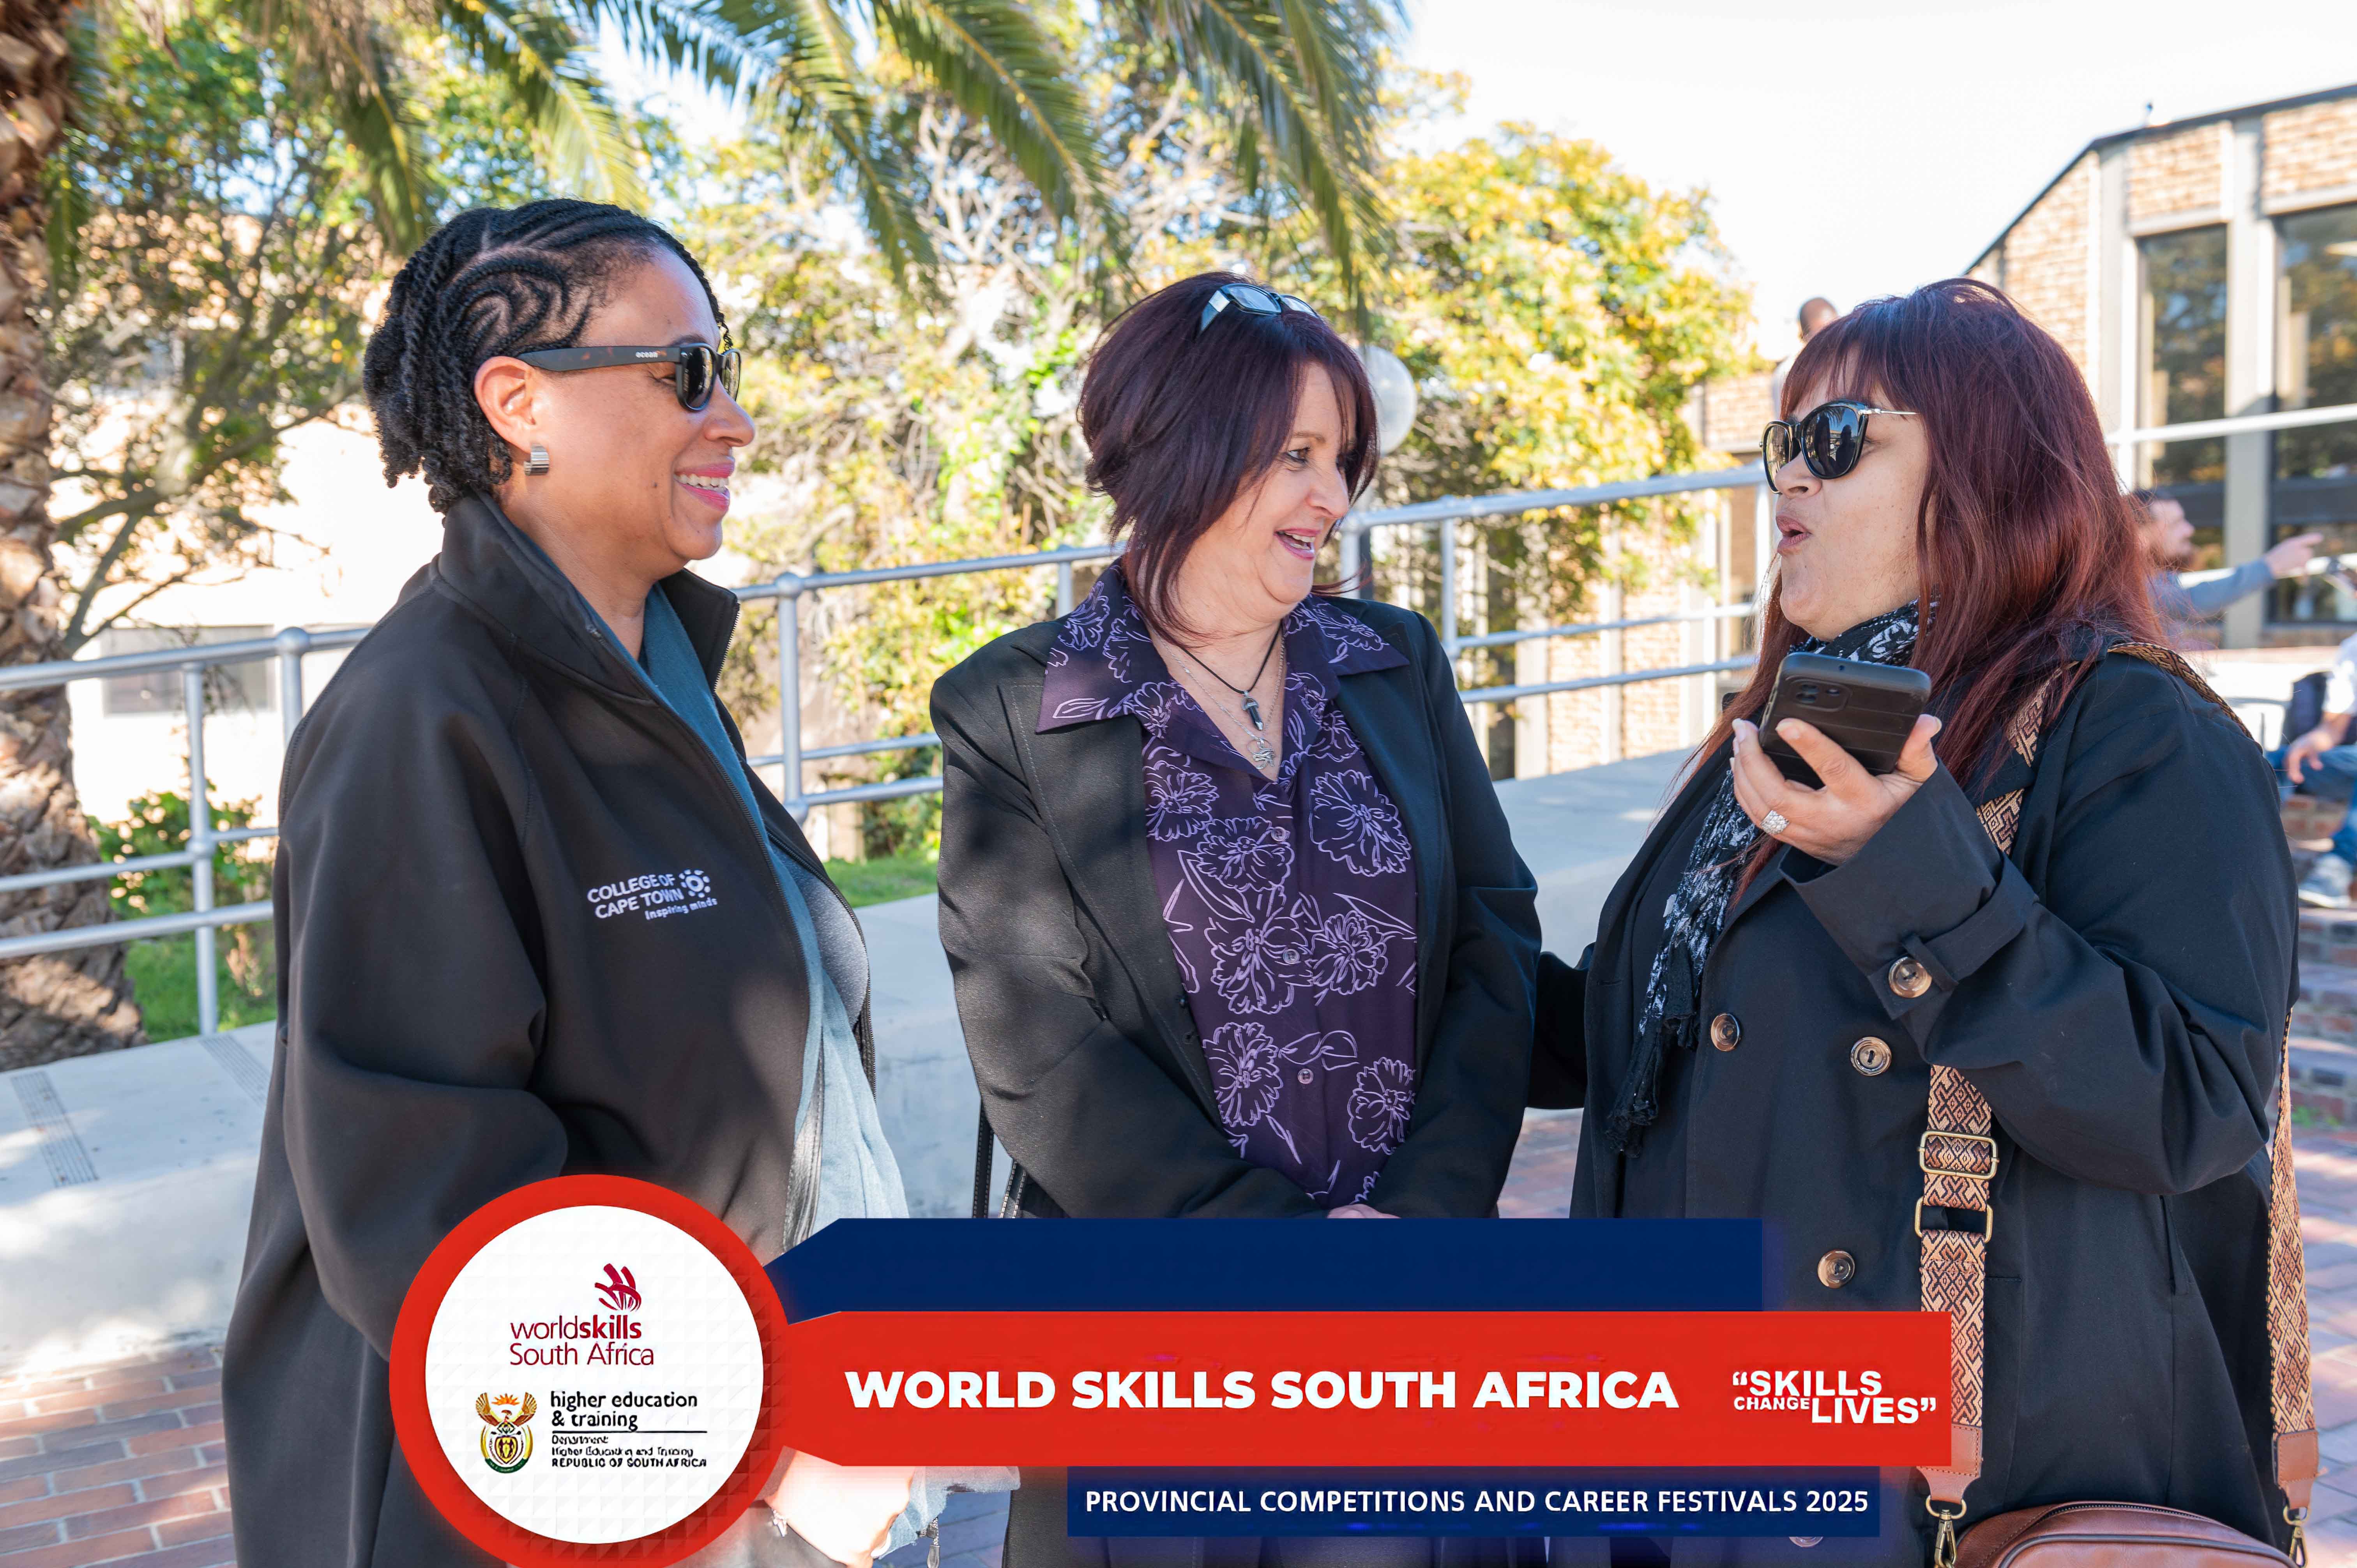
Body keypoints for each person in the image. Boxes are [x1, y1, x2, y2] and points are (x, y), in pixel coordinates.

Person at [220, 200, 984, 1568]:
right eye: (685, 372)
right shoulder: (420, 717)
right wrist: (754, 1446)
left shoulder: (655, 677)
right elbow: (427, 1201)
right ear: (520, 405)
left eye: (725, 369)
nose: (734, 419)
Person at [1530, 279, 2299, 1564]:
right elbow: (1630, 1037)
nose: (1790, 475)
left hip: (1952, 1488)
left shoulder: (2133, 727)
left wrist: (1905, 869)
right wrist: (1388, 934)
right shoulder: (1791, 729)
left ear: (1989, 473)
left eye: (1837, 439)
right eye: (1781, 441)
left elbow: (2192, 1103)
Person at [931, 271, 1542, 1567]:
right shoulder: (1011, 709)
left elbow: (1492, 948)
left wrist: (1423, 1225)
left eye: (1343, 458)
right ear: (1181, 445)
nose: (1334, 497)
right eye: (1296, 455)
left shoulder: (1395, 664)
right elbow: (1041, 1053)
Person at [2138, 487, 2321, 645]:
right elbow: (2191, 601)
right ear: (2140, 535)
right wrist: (2273, 564)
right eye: (2176, 524)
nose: (2189, 530)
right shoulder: (2130, 583)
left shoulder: (2162, 578)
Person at [2274, 627, 2357, 907]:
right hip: (2350, 766)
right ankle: (2243, 852)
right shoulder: (2353, 649)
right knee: (2270, 761)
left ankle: (2338, 868)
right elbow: (2332, 728)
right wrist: (2307, 743)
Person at [1768, 295, 1840, 413]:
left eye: (1836, 330)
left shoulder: (1842, 365)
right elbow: (1785, 418)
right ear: (1805, 335)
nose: (1831, 340)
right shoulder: (1789, 372)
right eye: (1822, 332)